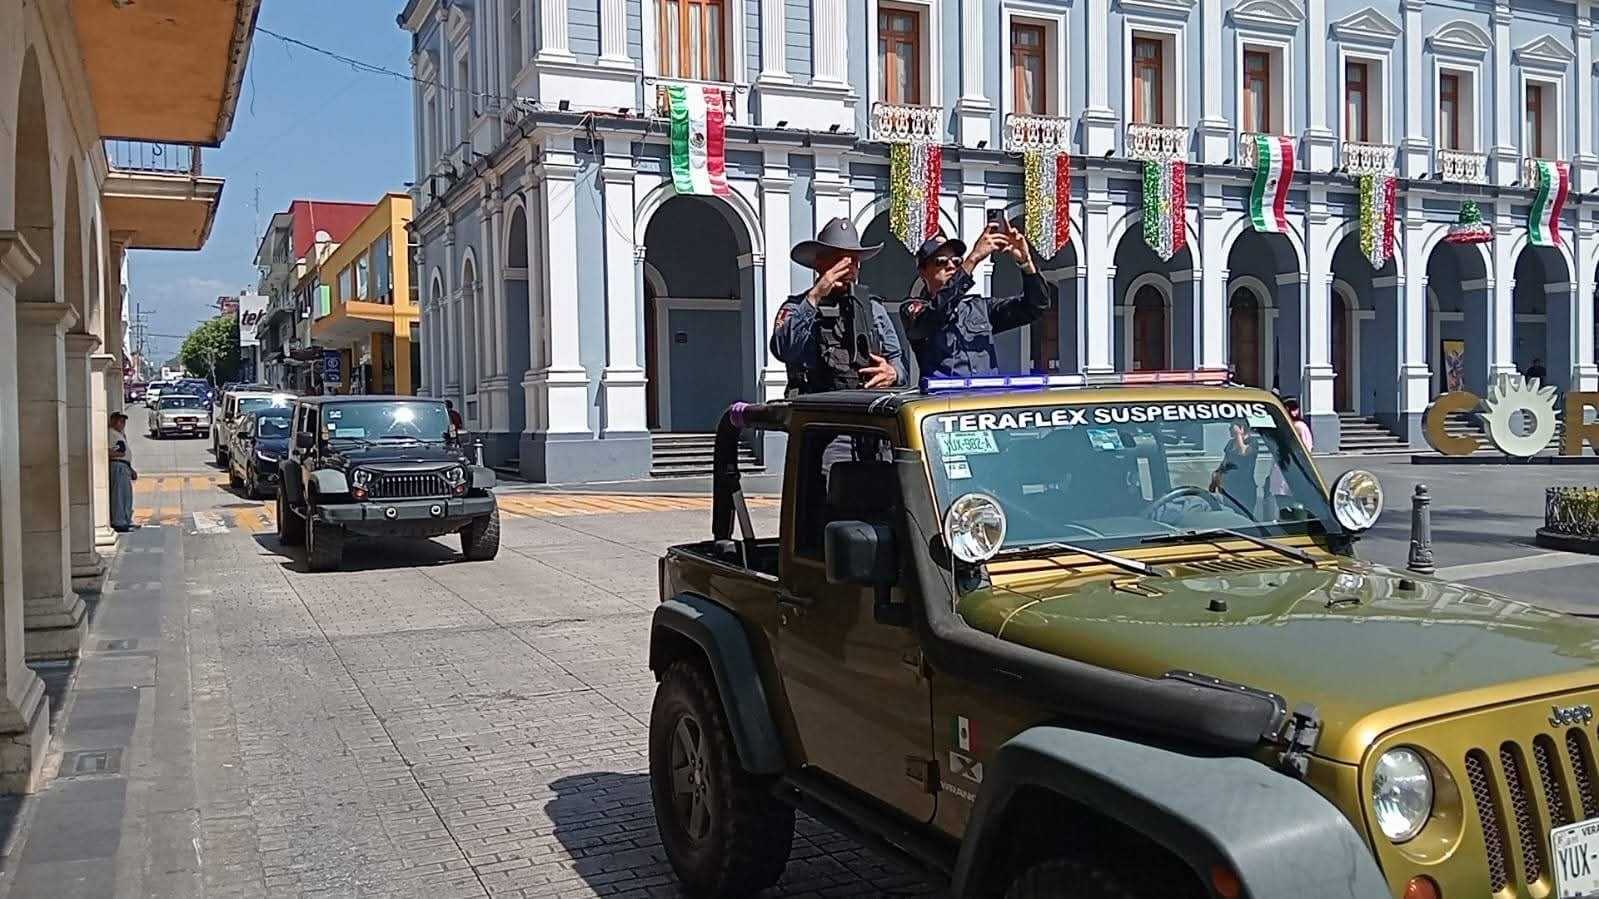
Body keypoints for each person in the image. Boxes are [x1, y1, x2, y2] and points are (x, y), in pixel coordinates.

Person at [900, 216, 1054, 379]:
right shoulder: (914, 308)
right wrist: (972, 259)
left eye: (957, 261)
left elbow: (1036, 307)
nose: (951, 266)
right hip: (944, 394)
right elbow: (935, 314)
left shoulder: (979, 308)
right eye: (941, 261)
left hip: (984, 394)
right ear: (922, 271)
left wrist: (1026, 263)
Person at [769, 217, 906, 395]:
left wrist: (893, 373)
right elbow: (783, 350)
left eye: (853, 261)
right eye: (839, 260)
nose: (848, 268)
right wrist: (815, 296)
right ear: (818, 263)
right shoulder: (796, 307)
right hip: (813, 404)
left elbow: (898, 362)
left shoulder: (873, 308)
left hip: (864, 403)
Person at [1210, 418, 1260, 517]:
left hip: (1244, 486)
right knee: (1230, 514)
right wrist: (1217, 475)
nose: (1229, 430)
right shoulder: (1230, 443)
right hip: (1229, 486)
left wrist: (1238, 435)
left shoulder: (1252, 442)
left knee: (1244, 514)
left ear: (1242, 428)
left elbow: (1243, 452)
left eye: (1232, 428)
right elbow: (1226, 461)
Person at [108, 411, 137, 532]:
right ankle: (119, 521)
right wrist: (120, 454)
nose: (123, 424)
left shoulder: (120, 434)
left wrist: (131, 469)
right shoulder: (111, 433)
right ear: (113, 421)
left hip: (124, 466)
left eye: (124, 421)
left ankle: (126, 519)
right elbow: (106, 450)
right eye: (120, 421)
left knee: (126, 495)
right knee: (119, 495)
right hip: (117, 465)